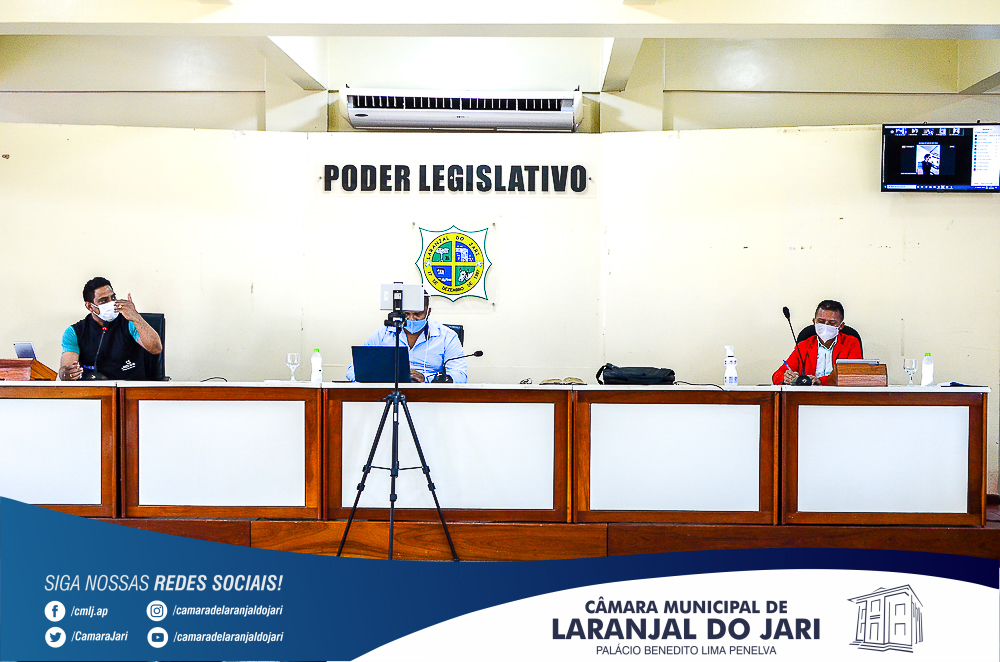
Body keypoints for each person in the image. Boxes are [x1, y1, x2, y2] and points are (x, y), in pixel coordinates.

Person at [346, 292, 467, 383]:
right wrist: (386, 377)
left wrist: (427, 379)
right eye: (406, 314)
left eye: (417, 314)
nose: (411, 319)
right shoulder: (382, 334)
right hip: (388, 393)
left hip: (429, 395)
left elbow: (460, 376)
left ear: (428, 312)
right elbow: (353, 371)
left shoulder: (447, 336)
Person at [59, 277, 163, 380]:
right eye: (103, 301)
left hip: (130, 387)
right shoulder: (75, 332)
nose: (111, 303)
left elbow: (156, 349)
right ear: (89, 306)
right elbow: (65, 369)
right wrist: (67, 374)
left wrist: (136, 317)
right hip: (94, 389)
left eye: (113, 298)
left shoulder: (129, 322)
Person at [772, 299, 862, 386]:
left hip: (840, 395)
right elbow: (777, 374)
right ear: (814, 322)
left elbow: (854, 376)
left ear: (841, 326)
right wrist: (786, 378)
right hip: (808, 395)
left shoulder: (851, 343)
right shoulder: (804, 346)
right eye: (821, 322)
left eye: (832, 323)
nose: (825, 326)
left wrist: (821, 381)